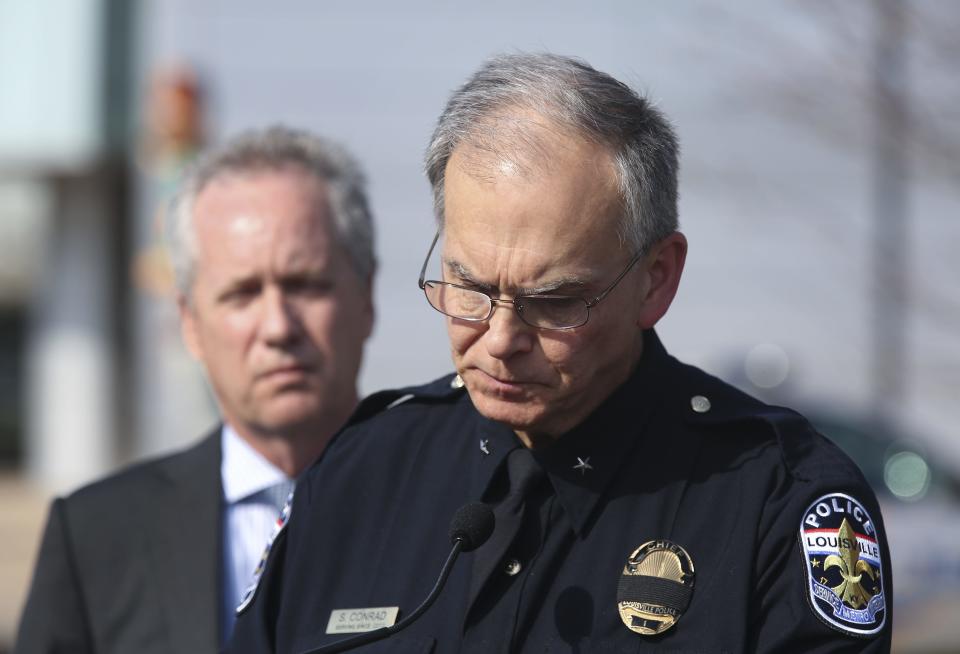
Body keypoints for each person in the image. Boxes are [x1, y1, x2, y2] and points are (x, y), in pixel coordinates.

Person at [229, 54, 891, 653]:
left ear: (656, 278)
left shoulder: (773, 500)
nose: (500, 340)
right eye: (469, 285)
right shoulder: (362, 473)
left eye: (554, 302)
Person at [15, 126, 376, 654]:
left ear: (366, 297)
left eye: (305, 284)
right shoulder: (95, 537)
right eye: (242, 293)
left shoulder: (458, 506)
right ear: (189, 322)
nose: (277, 326)